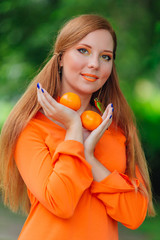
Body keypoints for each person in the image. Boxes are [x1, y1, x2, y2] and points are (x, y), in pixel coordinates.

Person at [0, 14, 155, 240]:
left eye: (106, 56)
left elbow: (134, 214)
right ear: (61, 58)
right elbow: (60, 203)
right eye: (83, 50)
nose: (94, 64)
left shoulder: (114, 127)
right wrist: (73, 129)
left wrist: (90, 159)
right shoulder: (31, 128)